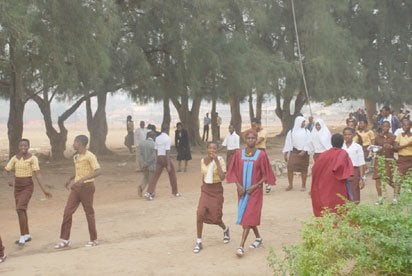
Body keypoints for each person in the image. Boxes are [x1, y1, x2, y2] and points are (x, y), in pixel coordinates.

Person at [226, 129, 276, 257]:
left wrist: (255, 186)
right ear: (245, 139)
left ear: (256, 139)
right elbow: (232, 172)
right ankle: (258, 238)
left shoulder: (261, 155)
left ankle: (241, 246)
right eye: (248, 138)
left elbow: (266, 175)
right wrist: (238, 186)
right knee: (248, 215)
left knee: (247, 218)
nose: (251, 140)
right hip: (242, 191)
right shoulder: (238, 154)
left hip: (255, 192)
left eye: (253, 138)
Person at [55, 135, 101, 249]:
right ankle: (65, 239)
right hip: (76, 187)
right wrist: (70, 179)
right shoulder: (76, 156)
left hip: (87, 187)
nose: (73, 144)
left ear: (80, 143)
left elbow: (98, 171)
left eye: (75, 142)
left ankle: (94, 239)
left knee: (89, 213)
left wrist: (82, 180)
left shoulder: (90, 156)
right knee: (67, 212)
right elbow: (79, 171)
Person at [4, 139, 52, 246]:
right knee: (21, 210)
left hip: (27, 186)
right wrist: (8, 180)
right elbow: (6, 170)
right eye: (21, 145)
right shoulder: (15, 158)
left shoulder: (33, 158)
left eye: (25, 145)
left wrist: (44, 190)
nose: (23, 147)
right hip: (17, 187)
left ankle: (22, 237)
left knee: (20, 208)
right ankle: (27, 234)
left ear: (28, 146)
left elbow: (37, 174)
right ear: (18, 146)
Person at [193, 142, 230, 254]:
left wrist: (217, 162)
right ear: (207, 149)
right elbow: (203, 175)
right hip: (206, 190)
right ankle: (199, 241)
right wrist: (203, 188)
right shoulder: (202, 161)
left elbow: (223, 177)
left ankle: (225, 229)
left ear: (216, 150)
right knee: (200, 213)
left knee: (215, 217)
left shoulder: (220, 160)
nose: (212, 150)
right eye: (210, 148)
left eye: (214, 148)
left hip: (216, 190)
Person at [311, 134, 353, 217]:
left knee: (326, 201)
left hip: (324, 182)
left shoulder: (323, 154)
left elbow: (315, 168)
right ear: (342, 142)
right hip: (338, 183)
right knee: (339, 203)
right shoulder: (343, 154)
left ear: (331, 142)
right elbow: (344, 170)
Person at [145, 124, 180, 200]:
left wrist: (157, 159)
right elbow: (167, 152)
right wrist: (168, 164)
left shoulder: (157, 138)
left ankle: (149, 192)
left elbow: (156, 150)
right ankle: (175, 192)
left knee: (155, 177)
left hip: (159, 157)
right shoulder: (167, 138)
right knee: (172, 175)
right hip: (165, 157)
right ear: (167, 130)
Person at [282, 116, 312, 191]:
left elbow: (309, 142)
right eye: (303, 122)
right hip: (294, 153)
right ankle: (290, 185)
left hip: (304, 154)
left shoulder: (306, 131)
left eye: (304, 122)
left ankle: (303, 185)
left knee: (304, 169)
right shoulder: (291, 132)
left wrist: (304, 150)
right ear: (298, 122)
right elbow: (288, 143)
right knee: (290, 168)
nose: (304, 123)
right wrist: (285, 153)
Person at [372, 121, 397, 204]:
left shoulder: (393, 137)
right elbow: (374, 148)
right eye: (384, 126)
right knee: (377, 178)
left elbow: (397, 149)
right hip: (379, 159)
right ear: (381, 127)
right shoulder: (378, 137)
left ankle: (396, 195)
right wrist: (376, 149)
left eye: (387, 126)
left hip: (389, 160)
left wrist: (391, 147)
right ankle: (380, 198)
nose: (385, 128)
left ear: (389, 127)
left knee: (388, 179)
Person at [342, 127, 366, 203]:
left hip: (354, 171)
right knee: (343, 193)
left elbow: (361, 163)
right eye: (345, 134)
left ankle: (354, 211)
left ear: (353, 135)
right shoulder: (341, 146)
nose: (347, 136)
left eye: (349, 134)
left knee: (355, 192)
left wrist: (362, 178)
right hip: (343, 171)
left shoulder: (357, 147)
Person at [138, 131, 157, 197]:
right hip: (151, 165)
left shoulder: (141, 144)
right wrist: (148, 163)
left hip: (143, 165)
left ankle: (141, 187)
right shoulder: (154, 144)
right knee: (151, 179)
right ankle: (151, 192)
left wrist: (143, 164)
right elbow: (154, 156)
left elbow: (140, 155)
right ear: (153, 136)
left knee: (146, 177)